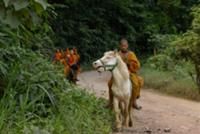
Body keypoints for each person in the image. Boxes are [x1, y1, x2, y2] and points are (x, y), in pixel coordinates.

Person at [107, 38, 143, 110]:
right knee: (110, 83)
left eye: (125, 45)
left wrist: (129, 64)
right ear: (120, 46)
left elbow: (137, 65)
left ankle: (134, 102)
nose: (124, 47)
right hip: (119, 73)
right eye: (122, 46)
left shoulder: (131, 54)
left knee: (136, 84)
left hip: (129, 72)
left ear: (127, 46)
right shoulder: (117, 54)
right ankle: (110, 102)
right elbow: (112, 62)